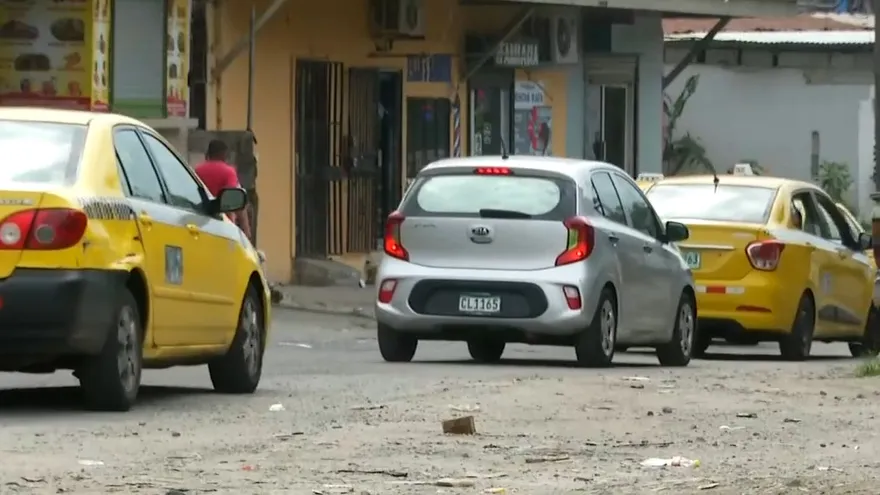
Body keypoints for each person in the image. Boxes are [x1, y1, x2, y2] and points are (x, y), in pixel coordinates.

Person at [194, 139, 252, 240]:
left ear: (209, 154)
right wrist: (246, 231)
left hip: (200, 224)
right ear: (224, 154)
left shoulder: (197, 170)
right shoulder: (229, 172)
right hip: (223, 228)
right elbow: (234, 200)